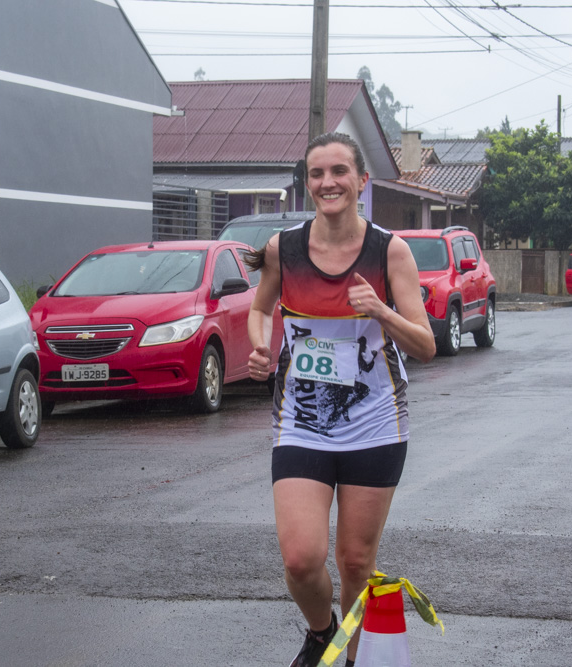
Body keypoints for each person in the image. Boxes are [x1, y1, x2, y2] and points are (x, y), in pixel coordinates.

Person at [245, 132, 435, 667]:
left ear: (360, 181)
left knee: (354, 563)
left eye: (338, 172)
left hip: (375, 424)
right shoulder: (285, 248)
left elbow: (424, 345)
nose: (327, 182)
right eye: (316, 174)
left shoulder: (388, 251)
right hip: (301, 423)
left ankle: (351, 660)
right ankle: (321, 629)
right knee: (302, 559)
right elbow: (261, 310)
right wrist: (261, 347)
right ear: (307, 184)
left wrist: (380, 310)